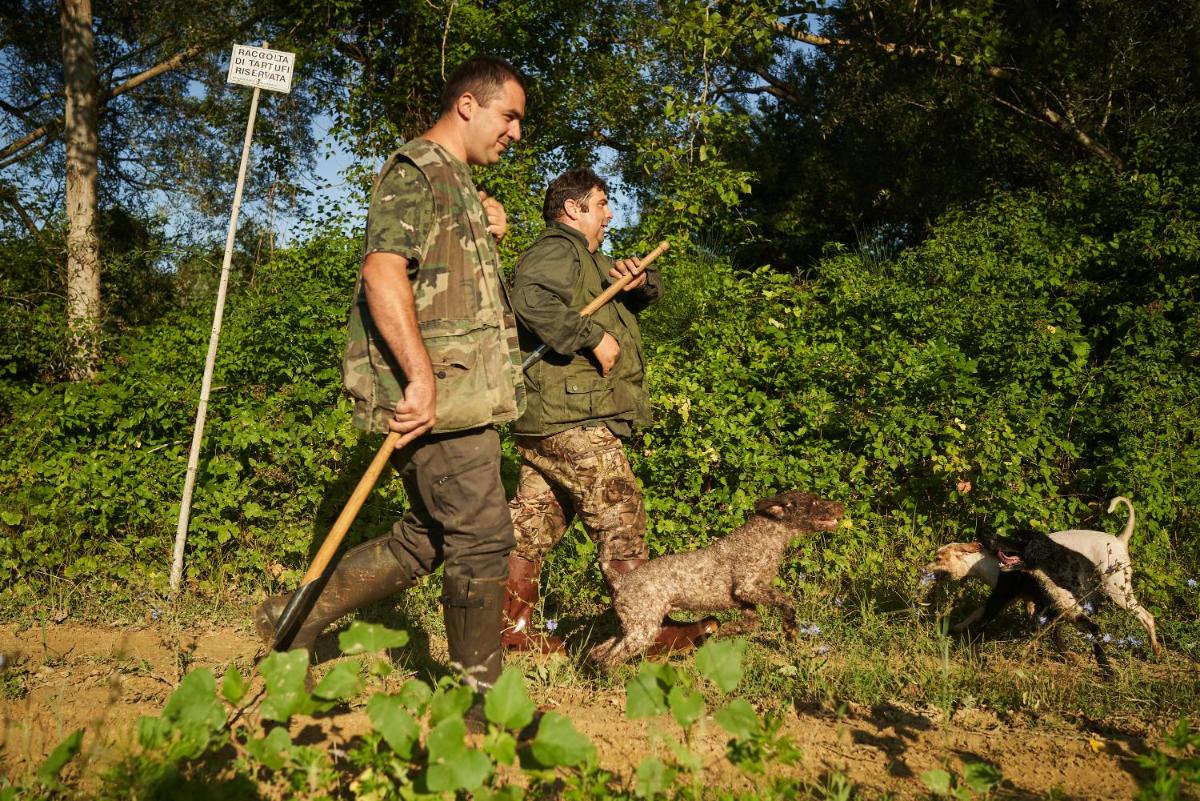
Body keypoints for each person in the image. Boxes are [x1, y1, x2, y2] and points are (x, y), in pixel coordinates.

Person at [253, 55, 526, 695]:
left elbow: (445, 281)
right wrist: (420, 379)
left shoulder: (453, 181)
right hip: (441, 398)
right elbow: (383, 273)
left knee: (429, 538)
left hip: (462, 393)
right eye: (508, 116)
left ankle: (287, 621)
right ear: (467, 104)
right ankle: (478, 709)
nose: (515, 133)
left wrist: (487, 225)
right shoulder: (416, 172)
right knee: (482, 540)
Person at [501, 168, 715, 654]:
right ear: (573, 208)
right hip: (571, 414)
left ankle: (506, 631)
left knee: (533, 525)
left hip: (551, 415)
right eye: (601, 203)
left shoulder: (588, 259)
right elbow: (531, 299)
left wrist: (639, 282)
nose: (610, 213)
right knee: (620, 510)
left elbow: (632, 295)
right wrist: (592, 338)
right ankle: (645, 631)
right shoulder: (558, 248)